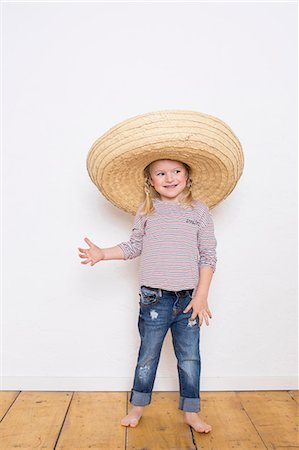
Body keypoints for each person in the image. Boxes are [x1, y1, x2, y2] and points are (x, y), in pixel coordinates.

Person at [78, 158, 217, 434]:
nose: (169, 178)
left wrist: (201, 296)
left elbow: (208, 256)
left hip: (189, 299)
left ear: (187, 175)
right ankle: (137, 406)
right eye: (160, 173)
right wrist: (103, 253)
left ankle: (191, 411)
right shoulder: (147, 210)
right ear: (150, 181)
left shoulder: (199, 211)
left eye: (176, 171)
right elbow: (133, 246)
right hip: (154, 299)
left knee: (189, 357)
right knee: (148, 355)